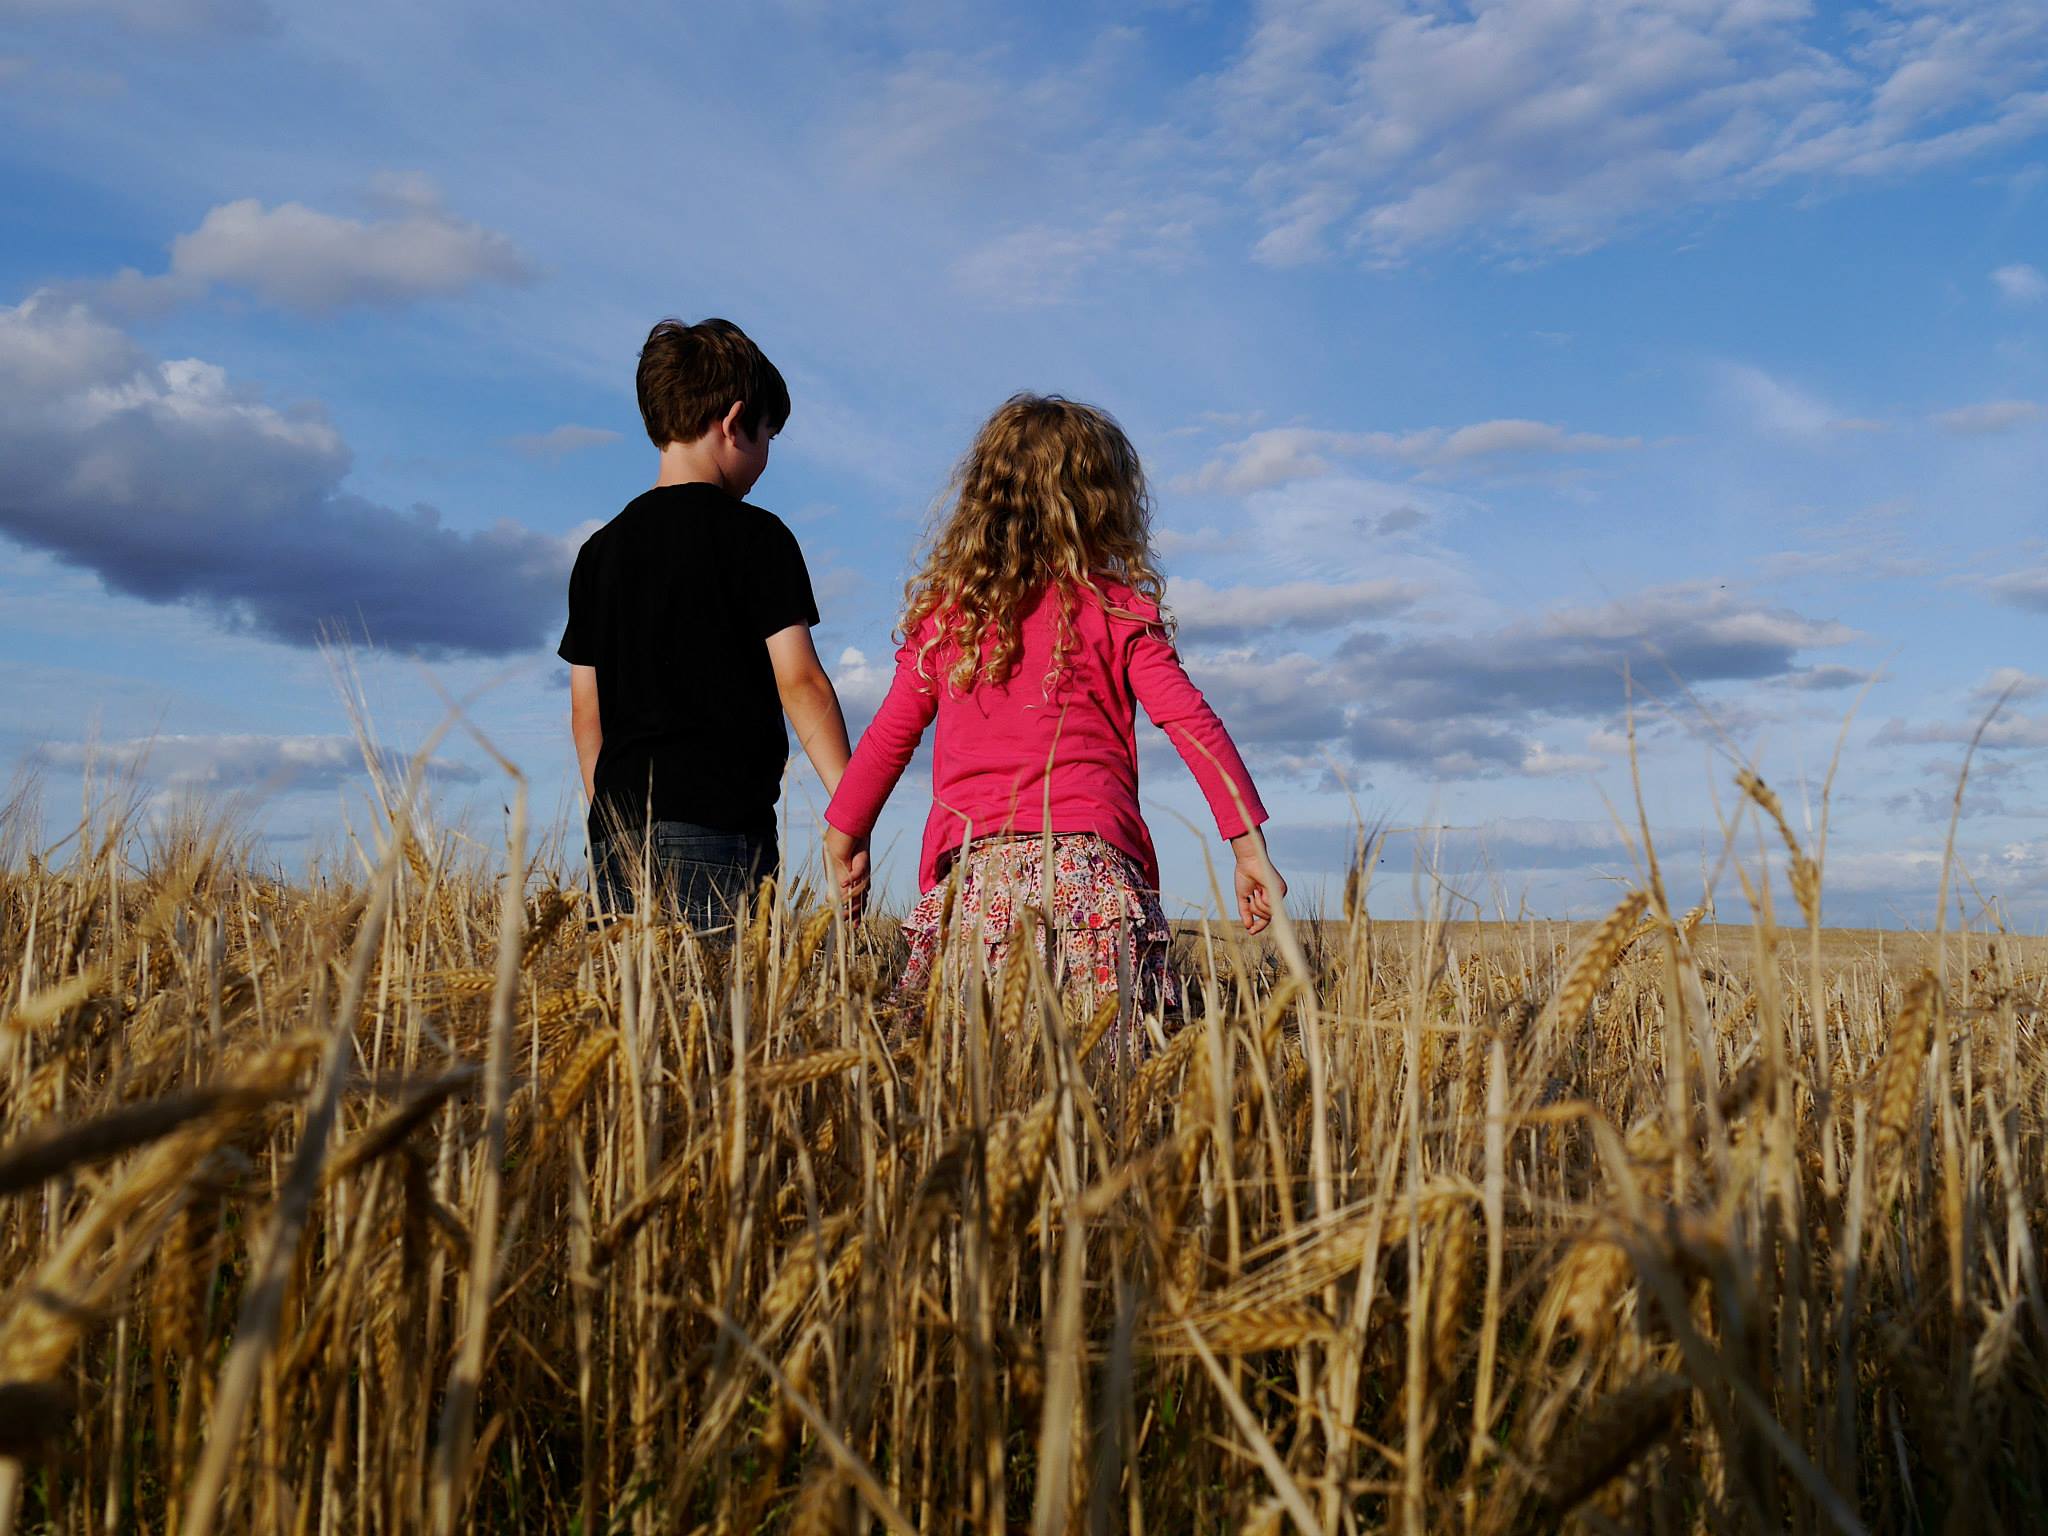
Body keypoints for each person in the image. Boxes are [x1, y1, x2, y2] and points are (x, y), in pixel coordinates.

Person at [821, 393, 1285, 1036]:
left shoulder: (949, 620)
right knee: (1107, 1083)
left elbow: (888, 737)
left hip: (977, 891)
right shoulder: (1117, 610)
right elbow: (1192, 725)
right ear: (1104, 505)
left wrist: (842, 836)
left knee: (973, 1077)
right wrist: (1248, 845)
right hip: (1096, 890)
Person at [559, 317, 866, 927]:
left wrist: (611, 821)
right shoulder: (759, 538)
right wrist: (851, 806)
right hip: (720, 832)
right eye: (768, 435)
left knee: (635, 989)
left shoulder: (598, 552)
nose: (766, 456)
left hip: (616, 837)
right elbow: (800, 682)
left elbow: (586, 713)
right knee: (720, 990)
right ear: (734, 422)